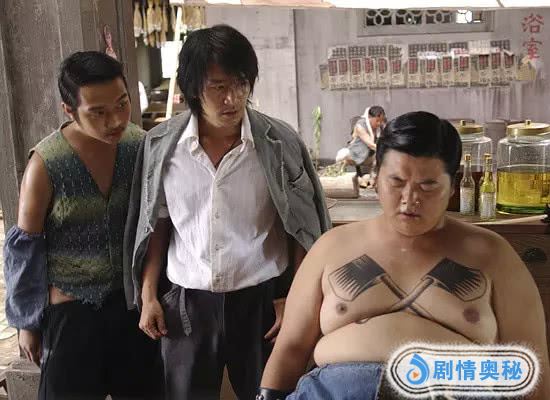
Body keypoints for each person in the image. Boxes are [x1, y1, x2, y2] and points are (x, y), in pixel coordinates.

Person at [257, 111, 550, 399]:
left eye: (428, 185)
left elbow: (531, 369)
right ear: (375, 178)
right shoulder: (331, 247)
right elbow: (291, 348)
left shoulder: (493, 255)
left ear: (453, 186)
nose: (410, 199)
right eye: (396, 182)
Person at [123, 24, 331, 400]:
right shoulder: (162, 147)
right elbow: (156, 224)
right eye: (218, 87)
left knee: (273, 393)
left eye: (241, 84)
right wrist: (149, 294)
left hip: (262, 303)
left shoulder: (279, 144)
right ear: (192, 88)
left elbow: (302, 228)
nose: (232, 98)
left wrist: (294, 300)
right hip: (187, 305)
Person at [4, 51, 161, 399]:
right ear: (69, 110)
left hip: (131, 308)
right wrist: (27, 323)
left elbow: (156, 225)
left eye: (122, 105)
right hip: (71, 312)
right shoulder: (47, 163)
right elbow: (24, 248)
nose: (115, 120)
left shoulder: (141, 147)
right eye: (98, 112)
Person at [335, 106, 386, 188]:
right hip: (353, 155)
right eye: (377, 120)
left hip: (368, 157)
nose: (379, 123)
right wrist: (386, 150)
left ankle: (372, 180)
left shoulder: (380, 127)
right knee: (343, 154)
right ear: (369, 117)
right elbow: (370, 144)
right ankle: (338, 176)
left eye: (381, 121)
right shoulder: (360, 125)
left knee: (379, 157)